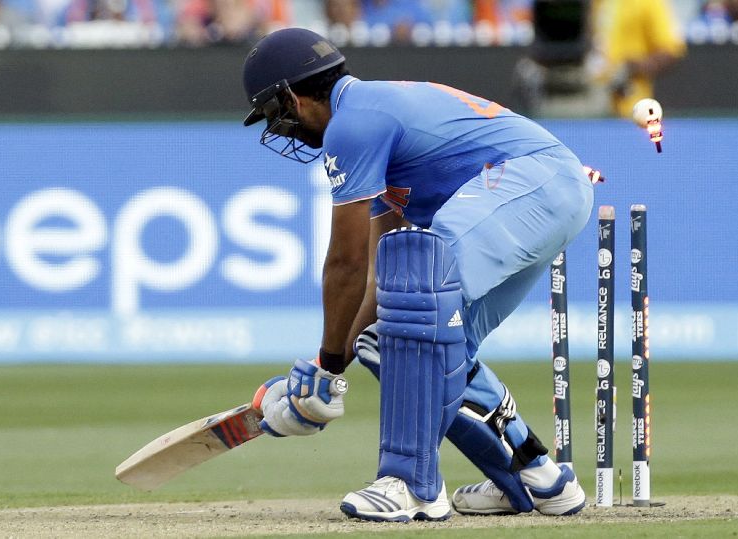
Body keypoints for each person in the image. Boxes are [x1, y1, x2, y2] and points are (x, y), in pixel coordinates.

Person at [242, 27, 593, 523]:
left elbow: (346, 262)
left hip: (532, 181)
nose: (283, 128)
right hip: (546, 193)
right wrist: (329, 372)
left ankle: (411, 483)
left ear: (291, 96)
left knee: (413, 300)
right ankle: (538, 478)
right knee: (390, 337)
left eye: (277, 114)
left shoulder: (353, 124)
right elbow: (384, 275)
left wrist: (325, 368)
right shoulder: (372, 121)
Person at [588, 0, 687, 118]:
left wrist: (630, 67)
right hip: (596, 102)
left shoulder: (650, 2)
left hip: (632, 107)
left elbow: (670, 51)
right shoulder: (598, 2)